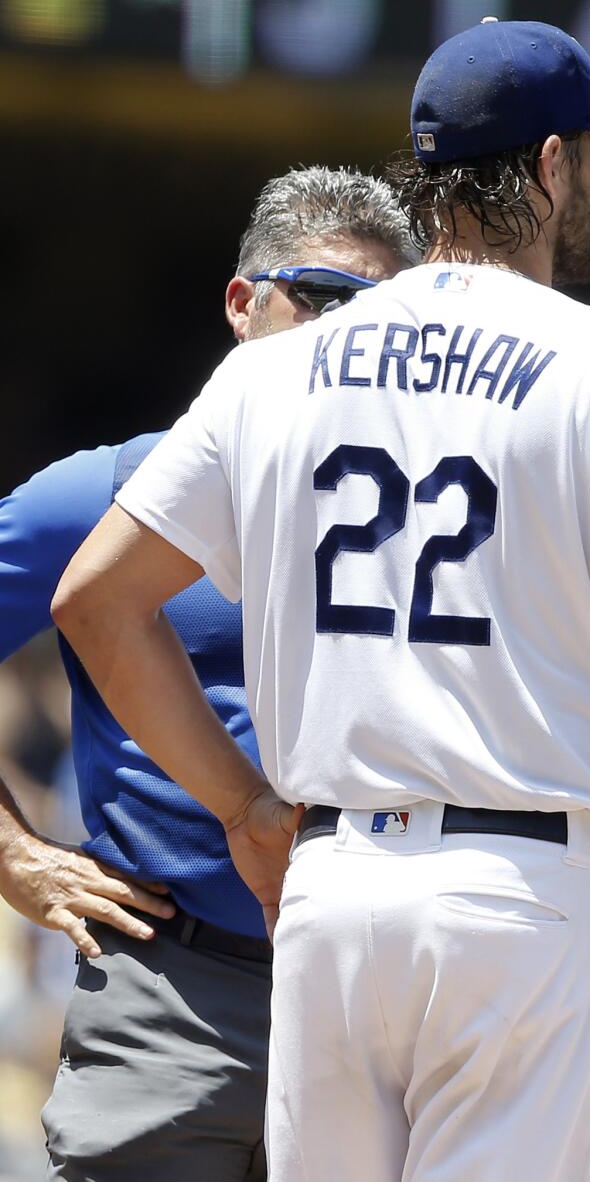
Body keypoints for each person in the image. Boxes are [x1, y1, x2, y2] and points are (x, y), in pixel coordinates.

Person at [50, 21, 590, 1182]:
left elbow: (97, 598)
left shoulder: (277, 363)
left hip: (332, 892)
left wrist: (245, 810)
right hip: (527, 903)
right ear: (552, 165)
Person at [0, 164, 415, 1182]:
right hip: (175, 988)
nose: (344, 335)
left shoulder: (437, 516)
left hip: (387, 1003)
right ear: (244, 302)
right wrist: (13, 855)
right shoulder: (105, 493)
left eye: (380, 315)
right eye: (320, 296)